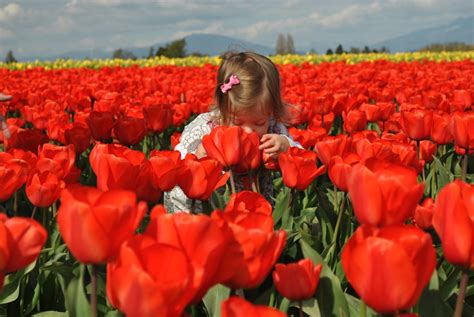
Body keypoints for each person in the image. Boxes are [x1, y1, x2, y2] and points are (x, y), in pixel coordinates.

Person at [164, 51, 302, 212]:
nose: (249, 131)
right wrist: (197, 157)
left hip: (253, 209)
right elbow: (179, 164)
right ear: (222, 108)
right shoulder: (204, 128)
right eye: (237, 122)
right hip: (204, 210)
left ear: (271, 111)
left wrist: (286, 147)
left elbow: (302, 157)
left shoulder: (274, 128)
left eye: (259, 122)